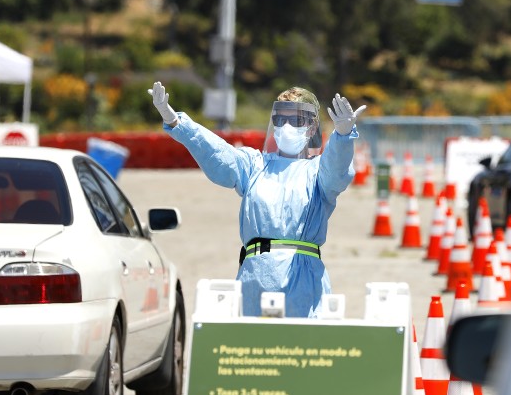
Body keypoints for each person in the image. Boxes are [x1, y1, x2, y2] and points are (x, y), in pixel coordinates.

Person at [149, 81, 366, 318]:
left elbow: (336, 171)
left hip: (303, 280)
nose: (286, 126)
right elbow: (217, 153)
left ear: (312, 128)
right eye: (280, 119)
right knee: (252, 351)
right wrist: (176, 122)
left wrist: (343, 137)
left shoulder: (317, 172)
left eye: (296, 120)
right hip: (255, 276)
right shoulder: (255, 164)